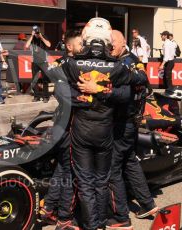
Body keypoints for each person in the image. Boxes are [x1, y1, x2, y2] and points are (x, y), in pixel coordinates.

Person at [80, 30, 157, 229]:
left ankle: (120, 217)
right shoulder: (124, 61)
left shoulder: (126, 63)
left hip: (122, 123)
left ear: (123, 44)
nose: (109, 46)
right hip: (128, 123)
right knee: (129, 162)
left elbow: (133, 87)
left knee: (112, 169)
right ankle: (148, 204)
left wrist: (98, 90)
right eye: (108, 43)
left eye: (112, 43)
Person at [40, 30, 83, 230]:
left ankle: (49, 208)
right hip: (68, 125)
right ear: (69, 47)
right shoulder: (64, 66)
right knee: (71, 172)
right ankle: (65, 219)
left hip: (63, 123)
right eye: (80, 44)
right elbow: (62, 94)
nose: (84, 47)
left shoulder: (73, 64)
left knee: (63, 168)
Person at [25, 25, 51, 103]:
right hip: (35, 62)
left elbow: (49, 45)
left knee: (45, 80)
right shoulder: (32, 38)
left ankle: (46, 96)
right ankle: (36, 96)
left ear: (39, 31)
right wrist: (32, 36)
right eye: (35, 32)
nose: (36, 33)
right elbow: (26, 46)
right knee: (34, 80)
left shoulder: (43, 36)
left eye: (37, 31)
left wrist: (41, 37)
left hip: (44, 62)